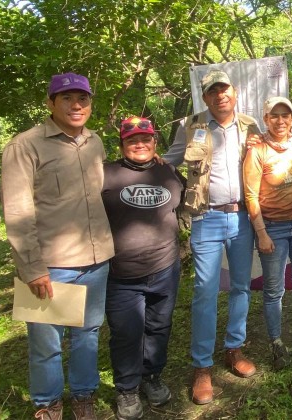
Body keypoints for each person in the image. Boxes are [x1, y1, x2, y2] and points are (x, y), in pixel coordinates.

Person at [1, 72, 114, 420]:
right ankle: (48, 404)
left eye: (83, 99)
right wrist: (32, 267)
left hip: (96, 259)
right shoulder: (26, 145)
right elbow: (18, 211)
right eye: (67, 98)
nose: (76, 105)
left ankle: (83, 396)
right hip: (51, 264)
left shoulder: (94, 141)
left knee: (88, 335)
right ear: (50, 103)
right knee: (46, 343)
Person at [174, 70, 261, 405]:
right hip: (206, 217)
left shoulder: (250, 125)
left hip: (241, 216)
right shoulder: (192, 125)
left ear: (234, 93)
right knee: (204, 291)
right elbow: (171, 158)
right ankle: (202, 366)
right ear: (205, 96)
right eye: (213, 91)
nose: (220, 95)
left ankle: (234, 348)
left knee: (241, 285)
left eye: (224, 89)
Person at [101, 117, 185, 419]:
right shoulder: (105, 175)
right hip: (121, 274)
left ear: (155, 142)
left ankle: (152, 375)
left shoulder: (169, 173)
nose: (140, 145)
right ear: (122, 144)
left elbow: (181, 204)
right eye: (132, 140)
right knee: (126, 333)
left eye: (145, 139)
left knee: (159, 327)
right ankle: (127, 388)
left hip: (165, 268)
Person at [243, 97, 292, 370]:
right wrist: (261, 233)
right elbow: (251, 194)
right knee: (274, 289)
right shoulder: (257, 150)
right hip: (272, 227)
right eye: (274, 116)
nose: (280, 121)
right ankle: (276, 343)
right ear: (265, 119)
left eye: (285, 115)